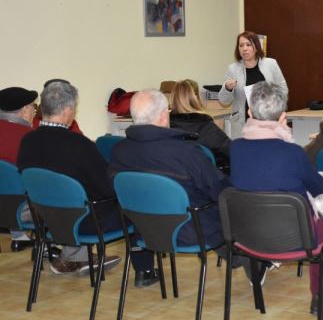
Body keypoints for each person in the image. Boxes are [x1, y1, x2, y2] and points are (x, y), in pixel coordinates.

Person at [229, 81, 323, 315]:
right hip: (297, 236)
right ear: (282, 117)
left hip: (248, 235)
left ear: (249, 113)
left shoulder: (235, 149)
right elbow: (318, 189)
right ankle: (321, 298)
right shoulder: (293, 152)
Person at [109, 89, 233, 286]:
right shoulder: (186, 152)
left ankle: (144, 271)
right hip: (190, 231)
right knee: (230, 207)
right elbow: (220, 190)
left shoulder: (119, 151)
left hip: (142, 230)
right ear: (163, 114)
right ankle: (250, 261)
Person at [17, 81, 121, 276]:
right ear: (68, 109)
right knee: (128, 204)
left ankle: (74, 258)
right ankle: (147, 269)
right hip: (84, 221)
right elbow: (107, 188)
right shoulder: (79, 145)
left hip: (44, 215)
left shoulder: (27, 141)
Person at [218, 31, 287, 138]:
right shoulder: (233, 69)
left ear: (256, 46)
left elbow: (283, 89)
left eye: (248, 44)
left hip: (269, 123)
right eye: (241, 45)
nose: (244, 48)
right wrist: (227, 88)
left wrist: (275, 106)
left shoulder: (271, 64)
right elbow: (223, 101)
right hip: (243, 125)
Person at [0, 86, 38, 251]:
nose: (34, 112)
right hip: (21, 209)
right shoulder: (30, 139)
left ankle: (20, 237)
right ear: (23, 110)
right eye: (33, 107)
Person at [170, 80, 231, 169]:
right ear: (195, 98)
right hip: (203, 179)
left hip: (174, 178)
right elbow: (232, 152)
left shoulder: (164, 126)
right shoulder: (206, 127)